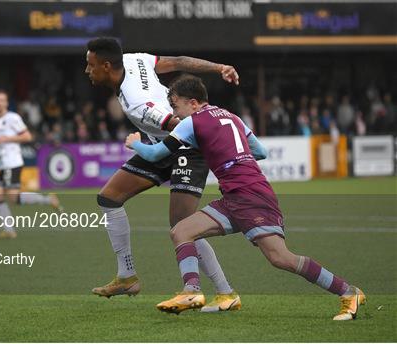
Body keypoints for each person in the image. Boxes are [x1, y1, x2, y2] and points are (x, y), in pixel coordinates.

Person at [125, 75, 365, 321]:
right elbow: (261, 151)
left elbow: (155, 154)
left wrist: (135, 144)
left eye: (176, 106)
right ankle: (192, 291)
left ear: (194, 103)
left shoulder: (192, 122)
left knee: (280, 258)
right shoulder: (233, 117)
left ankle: (348, 292)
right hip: (235, 195)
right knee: (181, 231)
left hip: (248, 194)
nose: (175, 113)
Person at [85, 37, 242, 312]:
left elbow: (180, 125)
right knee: (109, 197)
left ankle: (222, 292)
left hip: (186, 147)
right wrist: (219, 67)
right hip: (163, 144)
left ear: (107, 66)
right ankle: (126, 276)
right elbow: (179, 62)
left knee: (182, 224)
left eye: (90, 65)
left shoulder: (137, 103)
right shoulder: (134, 59)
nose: (87, 71)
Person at [0, 89, 62, 239]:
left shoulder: (12, 118)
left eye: (1, 100)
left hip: (12, 163)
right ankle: (9, 230)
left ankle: (48, 199)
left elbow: (27, 136)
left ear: (5, 103)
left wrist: (8, 139)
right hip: (3, 165)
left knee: (13, 198)